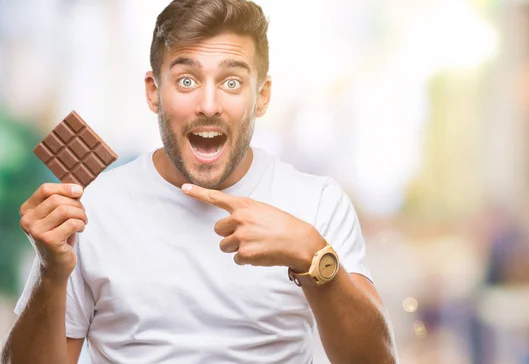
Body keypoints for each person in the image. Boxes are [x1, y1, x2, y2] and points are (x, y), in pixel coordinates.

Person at [1, 0, 397, 363]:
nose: (209, 105)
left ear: (262, 97)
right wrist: (52, 275)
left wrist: (312, 255)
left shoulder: (317, 203)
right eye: (187, 81)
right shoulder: (92, 210)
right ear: (154, 92)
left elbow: (376, 361)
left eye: (231, 82)